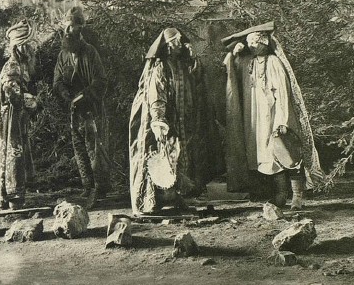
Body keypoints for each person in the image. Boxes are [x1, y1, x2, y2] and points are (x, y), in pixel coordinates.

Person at [222, 21, 323, 208]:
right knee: (266, 156)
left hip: (275, 114)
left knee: (286, 152)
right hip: (255, 117)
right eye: (250, 44)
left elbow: (283, 93)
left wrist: (282, 120)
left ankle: (296, 196)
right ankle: (278, 194)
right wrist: (235, 53)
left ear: (264, 43)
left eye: (255, 43)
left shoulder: (274, 62)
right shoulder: (247, 62)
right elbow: (231, 73)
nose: (252, 46)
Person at [129, 28, 218, 215]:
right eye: (174, 41)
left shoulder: (185, 63)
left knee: (184, 156)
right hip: (168, 120)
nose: (179, 44)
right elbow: (156, 95)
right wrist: (158, 119)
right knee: (165, 157)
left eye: (179, 40)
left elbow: (198, 81)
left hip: (186, 119)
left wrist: (194, 59)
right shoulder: (160, 66)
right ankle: (158, 200)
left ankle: (183, 196)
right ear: (166, 46)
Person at [53, 7, 110, 206]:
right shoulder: (63, 55)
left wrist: (85, 95)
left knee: (95, 148)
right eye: (66, 27)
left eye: (72, 27)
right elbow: (57, 80)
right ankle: (87, 186)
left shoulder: (90, 52)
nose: (68, 31)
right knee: (79, 149)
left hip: (91, 110)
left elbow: (101, 80)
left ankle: (100, 188)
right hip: (74, 112)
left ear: (80, 28)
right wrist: (64, 92)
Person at [0, 20, 38, 208]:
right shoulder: (13, 66)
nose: (31, 50)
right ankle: (13, 197)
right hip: (9, 116)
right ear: (21, 47)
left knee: (8, 152)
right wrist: (31, 101)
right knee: (12, 152)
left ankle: (5, 196)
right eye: (28, 46)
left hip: (11, 115)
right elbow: (11, 91)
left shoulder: (17, 65)